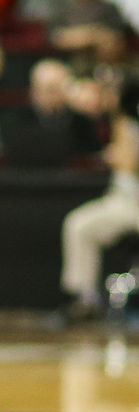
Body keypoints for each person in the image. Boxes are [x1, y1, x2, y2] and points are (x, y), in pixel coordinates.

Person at [61, 108, 139, 320]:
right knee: (79, 224)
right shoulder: (125, 119)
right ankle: (85, 299)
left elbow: (129, 162)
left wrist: (121, 154)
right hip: (122, 200)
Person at [1, 59, 103, 169]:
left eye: (60, 88)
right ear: (34, 91)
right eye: (50, 89)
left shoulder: (81, 123)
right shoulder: (17, 122)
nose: (56, 95)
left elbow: (91, 157)